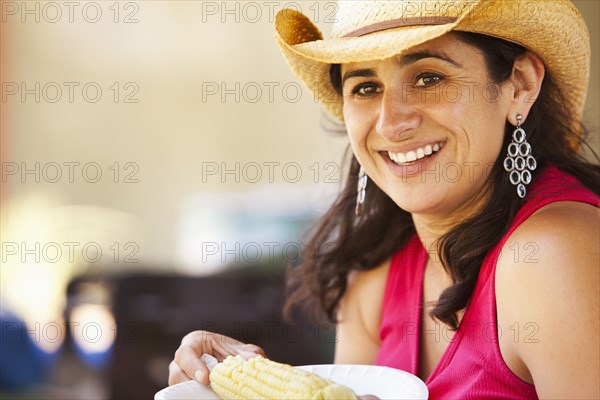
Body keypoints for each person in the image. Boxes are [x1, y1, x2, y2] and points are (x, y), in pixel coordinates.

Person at [169, 1, 600, 398]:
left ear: (519, 85)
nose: (392, 123)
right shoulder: (374, 275)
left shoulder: (553, 255)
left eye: (429, 78)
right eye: (365, 88)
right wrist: (223, 380)